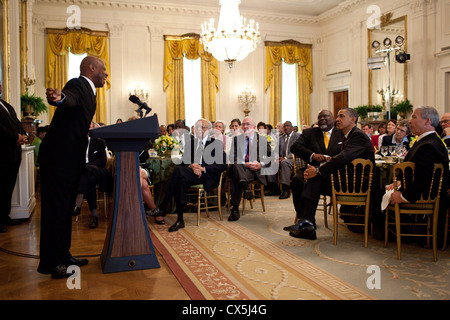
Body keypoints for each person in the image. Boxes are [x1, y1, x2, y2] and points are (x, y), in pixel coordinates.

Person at [37, 56, 108, 278]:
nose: (106, 74)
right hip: (59, 160)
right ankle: (52, 263)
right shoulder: (78, 84)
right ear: (92, 68)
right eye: (104, 69)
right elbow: (70, 97)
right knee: (55, 211)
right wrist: (59, 98)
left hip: (70, 160)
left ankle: (63, 255)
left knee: (66, 210)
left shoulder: (91, 91)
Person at [285, 108, 375, 240]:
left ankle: (307, 223)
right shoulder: (348, 135)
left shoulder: (357, 135)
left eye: (341, 116)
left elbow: (343, 158)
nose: (338, 119)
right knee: (309, 179)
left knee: (315, 178)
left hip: (358, 182)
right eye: (337, 116)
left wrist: (317, 171)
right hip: (345, 178)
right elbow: (341, 158)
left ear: (353, 119)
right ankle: (307, 222)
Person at [155, 119, 227, 232]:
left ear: (208, 130)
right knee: (181, 178)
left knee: (179, 172)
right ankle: (180, 220)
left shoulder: (216, 144)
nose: (198, 129)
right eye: (197, 127)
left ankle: (163, 206)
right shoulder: (191, 143)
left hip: (206, 176)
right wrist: (192, 166)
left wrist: (202, 168)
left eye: (201, 127)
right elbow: (184, 162)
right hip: (191, 174)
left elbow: (223, 165)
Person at [285, 110, 343, 229]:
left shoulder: (342, 133)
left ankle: (307, 220)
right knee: (296, 180)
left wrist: (332, 159)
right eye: (319, 117)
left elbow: (347, 153)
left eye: (326, 116)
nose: (322, 118)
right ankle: (302, 218)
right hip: (312, 168)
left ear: (333, 118)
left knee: (314, 179)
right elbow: (294, 147)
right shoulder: (310, 133)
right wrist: (312, 155)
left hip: (333, 173)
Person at [389, 106, 449, 205]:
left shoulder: (429, 145)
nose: (410, 121)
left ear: (427, 121)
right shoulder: (426, 141)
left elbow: (425, 178)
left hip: (421, 198)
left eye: (414, 117)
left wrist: (403, 197)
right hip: (415, 194)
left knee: (377, 197)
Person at [228, 116, 273, 222]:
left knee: (237, 175)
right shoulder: (236, 139)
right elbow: (232, 157)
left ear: (253, 127)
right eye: (243, 124)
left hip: (253, 171)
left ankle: (235, 209)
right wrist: (245, 164)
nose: (245, 126)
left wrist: (260, 164)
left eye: (247, 124)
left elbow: (270, 157)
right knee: (237, 165)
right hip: (239, 167)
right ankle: (246, 188)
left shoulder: (261, 139)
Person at [0, 81, 28, 233]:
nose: (0, 87)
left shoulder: (6, 105)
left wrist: (24, 135)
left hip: (14, 154)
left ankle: (5, 216)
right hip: (2, 154)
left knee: (8, 187)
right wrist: (15, 137)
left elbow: (18, 124)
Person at [73, 128, 111, 229]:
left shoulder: (99, 142)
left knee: (87, 171)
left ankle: (78, 204)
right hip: (86, 176)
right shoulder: (77, 145)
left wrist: (87, 166)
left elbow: (102, 161)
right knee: (90, 180)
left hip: (98, 172)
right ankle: (94, 215)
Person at [276, 121, 301, 199]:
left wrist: (286, 158)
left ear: (292, 127)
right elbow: (276, 150)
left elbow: (298, 150)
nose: (286, 127)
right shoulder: (281, 138)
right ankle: (274, 188)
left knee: (284, 163)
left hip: (295, 159)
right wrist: (276, 157)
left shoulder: (297, 136)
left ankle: (286, 189)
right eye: (284, 126)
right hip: (283, 159)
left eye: (288, 126)